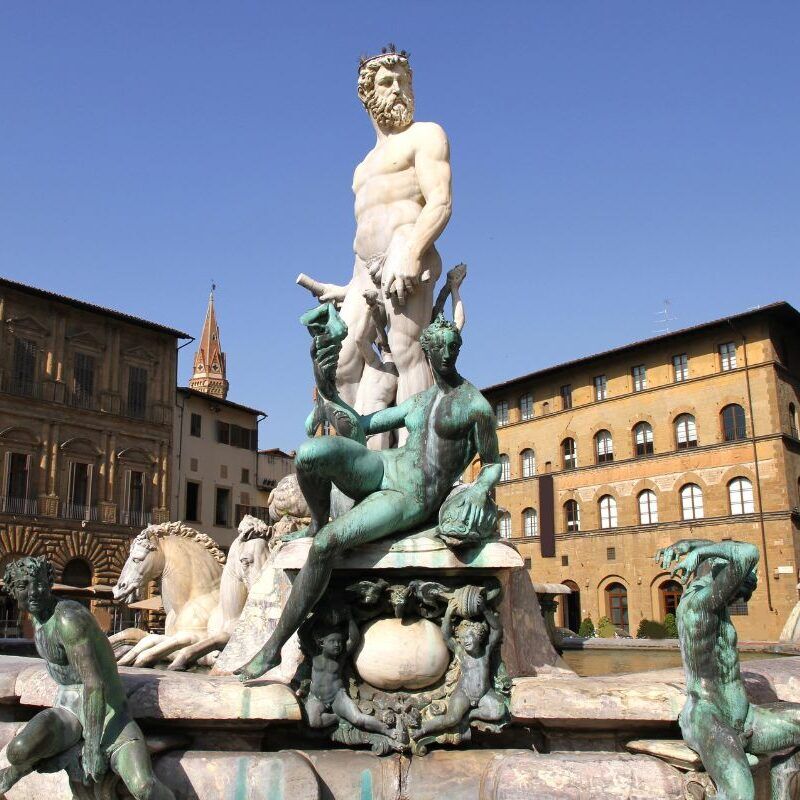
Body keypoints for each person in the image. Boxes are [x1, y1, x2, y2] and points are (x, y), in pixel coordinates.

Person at [235, 312, 500, 681]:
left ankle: (272, 648)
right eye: (440, 348)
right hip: (385, 465)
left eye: (452, 348)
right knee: (310, 454)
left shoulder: (475, 406)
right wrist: (325, 386)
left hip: (411, 494)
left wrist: (480, 489)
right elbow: (359, 426)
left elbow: (492, 463)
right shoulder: (419, 402)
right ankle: (316, 521)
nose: (446, 355)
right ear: (427, 351)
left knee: (327, 545)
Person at [299, 46, 453, 427]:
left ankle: (418, 452)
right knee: (342, 362)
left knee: (407, 349)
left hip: (408, 248)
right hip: (364, 272)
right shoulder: (362, 169)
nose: (398, 89)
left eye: (404, 81)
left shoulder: (426, 135)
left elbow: (441, 202)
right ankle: (362, 453)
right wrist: (348, 288)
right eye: (387, 82)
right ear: (367, 95)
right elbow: (366, 234)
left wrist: (412, 250)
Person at [0, 556, 174, 800]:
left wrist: (92, 748)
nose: (33, 592)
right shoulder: (36, 619)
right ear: (12, 591)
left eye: (39, 584)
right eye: (23, 586)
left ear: (48, 583)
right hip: (67, 710)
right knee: (17, 751)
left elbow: (94, 684)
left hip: (109, 714)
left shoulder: (67, 618)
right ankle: (18, 769)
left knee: (144, 787)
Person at [657, 539, 800, 800]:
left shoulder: (714, 603)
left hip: (745, 718)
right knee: (741, 794)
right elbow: (748, 552)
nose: (738, 596)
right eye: (738, 587)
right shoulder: (698, 605)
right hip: (707, 717)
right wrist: (701, 552)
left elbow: (726, 554)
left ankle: (783, 787)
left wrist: (688, 546)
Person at [416, 594, 506, 738]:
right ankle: (423, 730)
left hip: (485, 693)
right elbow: (446, 636)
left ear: (478, 637)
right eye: (462, 638)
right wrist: (448, 613)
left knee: (499, 711)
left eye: (469, 637)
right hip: (464, 692)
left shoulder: (486, 651)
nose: (465, 641)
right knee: (451, 719)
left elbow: (497, 629)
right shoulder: (461, 652)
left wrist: (484, 609)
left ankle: (470, 715)